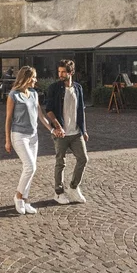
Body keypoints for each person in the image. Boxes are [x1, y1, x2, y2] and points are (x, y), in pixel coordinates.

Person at [4, 66, 54, 215]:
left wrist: (51, 129)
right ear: (26, 78)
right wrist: (7, 140)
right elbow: (8, 119)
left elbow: (40, 115)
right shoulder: (13, 95)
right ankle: (18, 197)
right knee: (30, 166)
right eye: (34, 77)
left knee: (32, 168)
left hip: (33, 136)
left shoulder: (33, 94)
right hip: (19, 135)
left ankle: (25, 200)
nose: (36, 80)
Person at [43, 60, 89, 204]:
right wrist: (57, 127)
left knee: (83, 158)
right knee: (60, 162)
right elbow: (49, 110)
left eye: (63, 72)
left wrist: (84, 130)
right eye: (59, 72)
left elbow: (81, 110)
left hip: (76, 133)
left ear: (71, 72)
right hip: (60, 133)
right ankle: (59, 192)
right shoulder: (54, 88)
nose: (61, 75)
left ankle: (74, 187)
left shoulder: (78, 88)